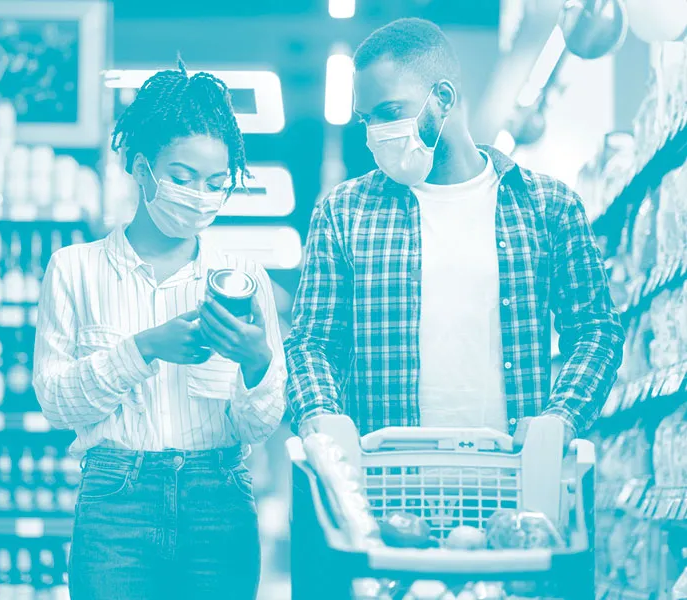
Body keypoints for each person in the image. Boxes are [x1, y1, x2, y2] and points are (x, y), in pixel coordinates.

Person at [285, 18, 625, 449]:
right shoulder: (343, 213)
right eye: (367, 120)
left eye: (390, 113)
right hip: (388, 479)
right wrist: (320, 413)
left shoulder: (547, 206)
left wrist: (562, 418)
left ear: (442, 98)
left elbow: (596, 328)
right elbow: (312, 343)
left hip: (512, 477)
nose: (377, 133)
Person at [32, 62, 286, 600]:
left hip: (218, 500)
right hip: (113, 506)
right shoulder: (74, 270)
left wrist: (256, 362)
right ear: (142, 169)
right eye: (182, 176)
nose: (200, 195)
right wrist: (145, 349)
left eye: (216, 184)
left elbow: (257, 425)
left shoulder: (244, 281)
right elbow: (57, 405)